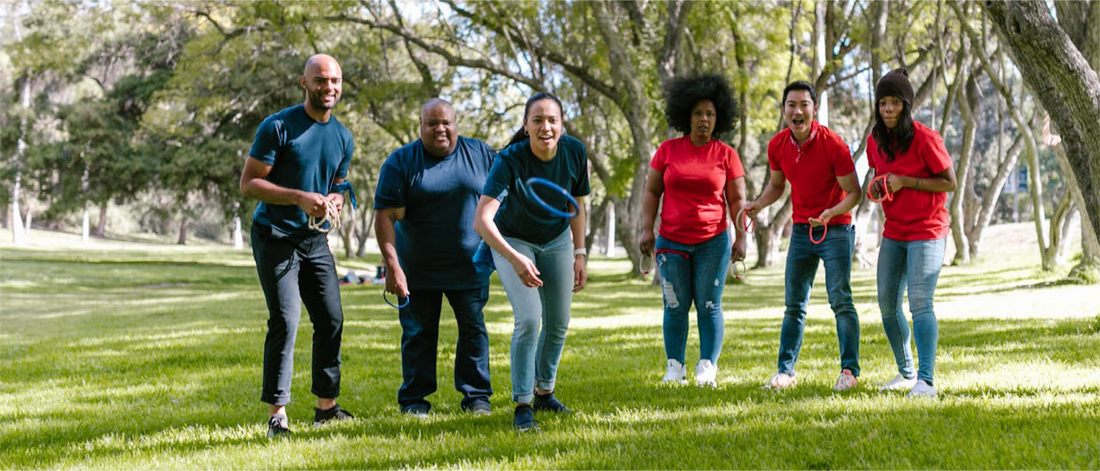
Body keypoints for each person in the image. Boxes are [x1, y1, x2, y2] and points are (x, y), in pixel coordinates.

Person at [239, 54, 356, 438]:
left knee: (331, 319)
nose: (329, 88)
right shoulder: (278, 127)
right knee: (286, 321)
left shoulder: (343, 137)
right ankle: (278, 415)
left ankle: (327, 407)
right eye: (320, 80)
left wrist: (336, 200)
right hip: (275, 235)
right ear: (303, 82)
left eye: (335, 81)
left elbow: (338, 185)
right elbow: (249, 183)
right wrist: (298, 197)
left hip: (314, 241)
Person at [474, 92, 589, 432]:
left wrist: (580, 254)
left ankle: (544, 392)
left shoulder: (574, 152)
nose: (545, 126)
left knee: (558, 321)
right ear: (525, 126)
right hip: (513, 240)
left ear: (562, 125)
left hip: (556, 240)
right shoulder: (509, 160)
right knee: (528, 319)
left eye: (552, 119)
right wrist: (513, 258)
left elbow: (576, 204)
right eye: (537, 120)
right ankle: (523, 404)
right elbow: (482, 220)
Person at [374, 98, 495, 418]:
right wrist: (392, 266)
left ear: (456, 123)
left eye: (447, 123)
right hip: (416, 271)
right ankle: (414, 400)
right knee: (417, 335)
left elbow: (504, 195)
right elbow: (384, 216)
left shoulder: (482, 154)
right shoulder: (401, 162)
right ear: (421, 126)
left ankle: (477, 397)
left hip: (470, 267)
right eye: (432, 124)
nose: (440, 129)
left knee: (473, 330)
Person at [744, 81, 863, 391]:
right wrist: (758, 203)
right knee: (794, 305)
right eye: (791, 105)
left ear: (814, 109)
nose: (797, 111)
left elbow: (854, 193)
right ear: (784, 110)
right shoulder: (777, 146)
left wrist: (831, 213)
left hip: (835, 228)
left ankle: (849, 372)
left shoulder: (834, 144)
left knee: (840, 300)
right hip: (801, 230)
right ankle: (786, 372)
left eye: (804, 104)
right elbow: (777, 185)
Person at [638, 74, 748, 388]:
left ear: (719, 118)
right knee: (675, 305)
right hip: (671, 241)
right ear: (686, 115)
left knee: (709, 305)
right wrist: (647, 229)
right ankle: (675, 367)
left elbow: (737, 199)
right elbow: (651, 193)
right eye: (698, 113)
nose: (704, 119)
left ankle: (706, 367)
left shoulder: (727, 155)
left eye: (710, 114)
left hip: (713, 242)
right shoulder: (668, 150)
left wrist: (741, 237)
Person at [867, 68, 956, 397]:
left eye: (894, 102)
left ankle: (926, 380)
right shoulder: (874, 141)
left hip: (928, 230)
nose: (887, 109)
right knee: (887, 303)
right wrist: (879, 189)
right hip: (895, 231)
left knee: (920, 303)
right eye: (882, 103)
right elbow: (881, 177)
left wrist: (906, 182)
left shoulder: (925, 138)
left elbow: (950, 181)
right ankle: (906, 372)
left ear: (906, 105)